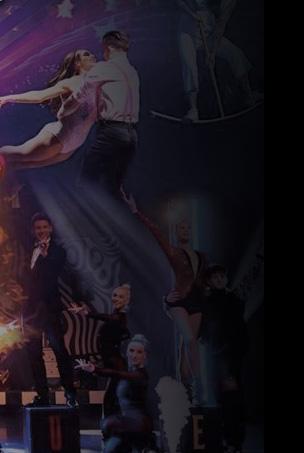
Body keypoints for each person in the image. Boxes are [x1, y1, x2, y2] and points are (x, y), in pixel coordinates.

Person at [123, 191, 207, 405]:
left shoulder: (201, 256)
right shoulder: (173, 251)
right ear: (177, 232)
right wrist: (136, 212)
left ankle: (189, 390)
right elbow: (156, 232)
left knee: (189, 345)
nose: (185, 231)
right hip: (178, 300)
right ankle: (198, 386)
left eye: (188, 228)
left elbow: (202, 281)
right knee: (189, 340)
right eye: (181, 228)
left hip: (196, 301)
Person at [59, 31, 139, 197]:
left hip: (112, 132)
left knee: (85, 182)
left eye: (103, 49)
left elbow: (78, 96)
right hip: (131, 135)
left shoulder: (104, 68)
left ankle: (87, 212)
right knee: (113, 186)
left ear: (108, 47)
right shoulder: (132, 71)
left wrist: (63, 111)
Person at [0, 50, 98, 170]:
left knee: (22, 165)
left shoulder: (99, 83)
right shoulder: (72, 82)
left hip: (74, 144)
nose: (93, 56)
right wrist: (7, 98)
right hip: (59, 137)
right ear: (77, 63)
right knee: (16, 155)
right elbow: (40, 96)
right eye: (87, 54)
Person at [22, 213, 78, 408]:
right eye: (38, 228)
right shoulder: (29, 249)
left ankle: (70, 393)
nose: (41, 231)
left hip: (49, 307)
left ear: (51, 228)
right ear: (33, 230)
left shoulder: (58, 251)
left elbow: (54, 272)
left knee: (59, 349)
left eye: (44, 227)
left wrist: (46, 256)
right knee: (33, 353)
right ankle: (42, 395)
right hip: (30, 310)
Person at [177, 0, 259, 120]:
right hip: (187, 30)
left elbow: (221, 24)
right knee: (189, 65)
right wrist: (191, 14)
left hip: (209, 32)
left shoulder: (228, 2)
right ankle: (193, 109)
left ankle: (248, 95)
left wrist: (212, 53)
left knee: (235, 54)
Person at [76, 334, 157, 453]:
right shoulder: (127, 372)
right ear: (127, 352)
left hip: (139, 423)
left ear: (145, 355)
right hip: (126, 424)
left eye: (139, 352)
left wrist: (95, 369)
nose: (134, 355)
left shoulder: (140, 375)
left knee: (109, 424)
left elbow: (117, 373)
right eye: (131, 351)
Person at [200, 264, 248, 453]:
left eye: (222, 276)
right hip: (217, 355)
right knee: (222, 398)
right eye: (215, 277)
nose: (219, 279)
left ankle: (233, 441)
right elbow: (205, 329)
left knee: (232, 398)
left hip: (230, 355)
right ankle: (228, 440)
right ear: (209, 281)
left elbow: (239, 328)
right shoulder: (208, 302)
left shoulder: (233, 300)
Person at [70, 284, 132, 417]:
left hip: (116, 362)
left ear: (127, 300)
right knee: (112, 399)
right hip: (111, 361)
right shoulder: (116, 316)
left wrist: (89, 314)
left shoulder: (121, 317)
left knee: (112, 399)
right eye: (115, 295)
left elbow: (112, 319)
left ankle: (113, 425)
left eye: (121, 297)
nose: (116, 299)